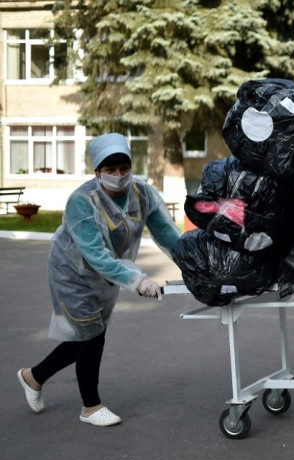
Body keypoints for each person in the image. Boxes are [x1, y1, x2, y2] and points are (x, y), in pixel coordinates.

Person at [17, 133, 182, 426]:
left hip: (108, 272)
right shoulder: (82, 202)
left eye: (123, 167)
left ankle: (34, 376)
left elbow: (167, 234)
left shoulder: (142, 194)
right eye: (110, 169)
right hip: (72, 271)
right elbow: (95, 255)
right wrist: (138, 280)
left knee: (88, 334)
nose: (119, 175)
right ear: (97, 171)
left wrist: (194, 264)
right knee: (93, 335)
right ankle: (90, 407)